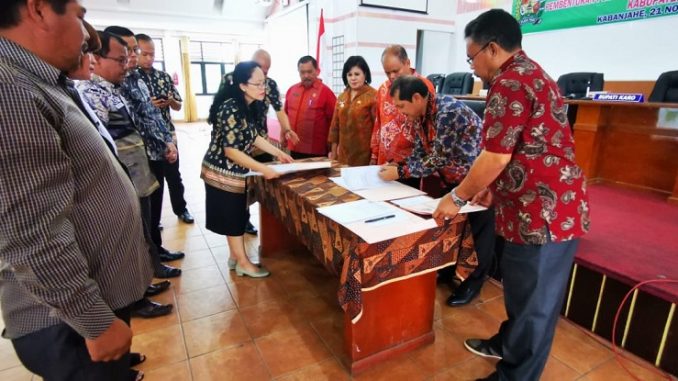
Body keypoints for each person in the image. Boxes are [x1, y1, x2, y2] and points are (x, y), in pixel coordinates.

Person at [433, 9, 591, 381]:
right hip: (538, 207)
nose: (471, 67)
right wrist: (491, 189)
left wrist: (456, 197)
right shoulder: (532, 73)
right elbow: (521, 147)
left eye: (471, 57)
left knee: (535, 306)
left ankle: (515, 375)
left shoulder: (509, 83)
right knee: (524, 297)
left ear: (491, 48)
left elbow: (495, 155)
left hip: (543, 215)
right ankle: (509, 343)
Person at [0, 1, 152, 380]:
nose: (89, 35)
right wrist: (95, 322)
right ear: (37, 10)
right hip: (69, 324)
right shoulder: (11, 90)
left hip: (83, 310)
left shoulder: (37, 81)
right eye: (80, 16)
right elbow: (32, 233)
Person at [77, 31, 176, 320]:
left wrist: (166, 141)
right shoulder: (89, 91)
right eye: (122, 57)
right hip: (121, 177)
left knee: (143, 227)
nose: (128, 62)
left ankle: (143, 285)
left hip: (137, 169)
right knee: (131, 236)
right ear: (97, 58)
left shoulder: (116, 87)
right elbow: (104, 142)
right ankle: (135, 297)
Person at [378, 76, 497, 307]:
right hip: (453, 178)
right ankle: (449, 269)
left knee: (480, 230)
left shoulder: (447, 111)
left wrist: (401, 173)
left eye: (402, 106)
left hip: (477, 180)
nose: (401, 112)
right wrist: (400, 166)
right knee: (449, 227)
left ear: (416, 97)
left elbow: (437, 158)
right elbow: (420, 151)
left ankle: (475, 281)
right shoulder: (420, 115)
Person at [202, 61, 293, 278]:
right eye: (258, 83)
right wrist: (263, 168)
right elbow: (231, 151)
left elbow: (253, 136)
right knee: (232, 219)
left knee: (236, 214)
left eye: (264, 83)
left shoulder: (244, 104)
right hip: (222, 171)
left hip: (233, 171)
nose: (263, 88)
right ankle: (243, 262)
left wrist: (278, 152)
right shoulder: (231, 107)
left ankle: (235, 256)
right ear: (243, 85)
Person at [105, 25, 184, 264]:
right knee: (140, 212)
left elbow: (151, 115)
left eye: (136, 50)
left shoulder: (143, 78)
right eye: (130, 51)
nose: (137, 56)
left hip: (157, 147)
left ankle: (155, 250)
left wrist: (167, 141)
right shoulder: (111, 84)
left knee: (158, 197)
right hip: (134, 156)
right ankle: (148, 257)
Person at [219, 49, 300, 236]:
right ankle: (243, 220)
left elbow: (279, 110)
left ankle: (269, 223)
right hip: (237, 145)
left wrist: (286, 129)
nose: (264, 76)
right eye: (261, 71)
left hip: (260, 140)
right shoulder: (231, 81)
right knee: (241, 187)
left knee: (265, 185)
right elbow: (222, 113)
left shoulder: (269, 84)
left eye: (267, 71)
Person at [136, 33, 195, 226]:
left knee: (174, 177)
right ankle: (154, 219)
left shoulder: (163, 77)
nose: (149, 58)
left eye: (152, 54)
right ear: (135, 53)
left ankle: (181, 209)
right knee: (154, 181)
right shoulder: (130, 79)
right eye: (144, 54)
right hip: (145, 140)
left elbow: (178, 105)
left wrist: (170, 101)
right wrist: (147, 104)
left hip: (168, 136)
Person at [370, 45, 436, 188]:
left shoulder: (423, 86)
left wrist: (407, 166)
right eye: (388, 72)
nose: (392, 76)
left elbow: (428, 129)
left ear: (407, 63)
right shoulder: (383, 89)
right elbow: (378, 123)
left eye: (396, 71)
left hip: (411, 166)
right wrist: (374, 154)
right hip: (386, 161)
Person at [284, 55, 336, 159]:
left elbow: (335, 121)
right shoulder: (292, 90)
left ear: (317, 71)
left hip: (317, 151)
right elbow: (285, 115)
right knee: (297, 175)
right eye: (302, 72)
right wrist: (282, 137)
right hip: (294, 148)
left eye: (309, 71)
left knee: (317, 176)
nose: (306, 75)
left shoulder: (326, 92)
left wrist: (333, 147)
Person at [328, 55, 377, 166]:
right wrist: (334, 152)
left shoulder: (374, 96)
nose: (353, 78)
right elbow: (334, 127)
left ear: (365, 74)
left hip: (365, 156)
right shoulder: (342, 97)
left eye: (357, 74)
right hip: (343, 156)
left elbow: (377, 130)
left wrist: (374, 156)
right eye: (349, 75)